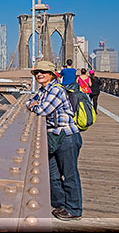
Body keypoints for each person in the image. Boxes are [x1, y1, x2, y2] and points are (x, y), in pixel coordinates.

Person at [26, 60, 83, 221]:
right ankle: (61, 204)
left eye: (43, 72)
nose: (39, 74)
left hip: (67, 137)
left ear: (52, 75)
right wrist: (32, 103)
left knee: (69, 174)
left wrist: (33, 105)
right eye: (37, 72)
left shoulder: (56, 90)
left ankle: (74, 209)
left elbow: (42, 110)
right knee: (52, 174)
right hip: (53, 138)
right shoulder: (44, 91)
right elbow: (29, 101)